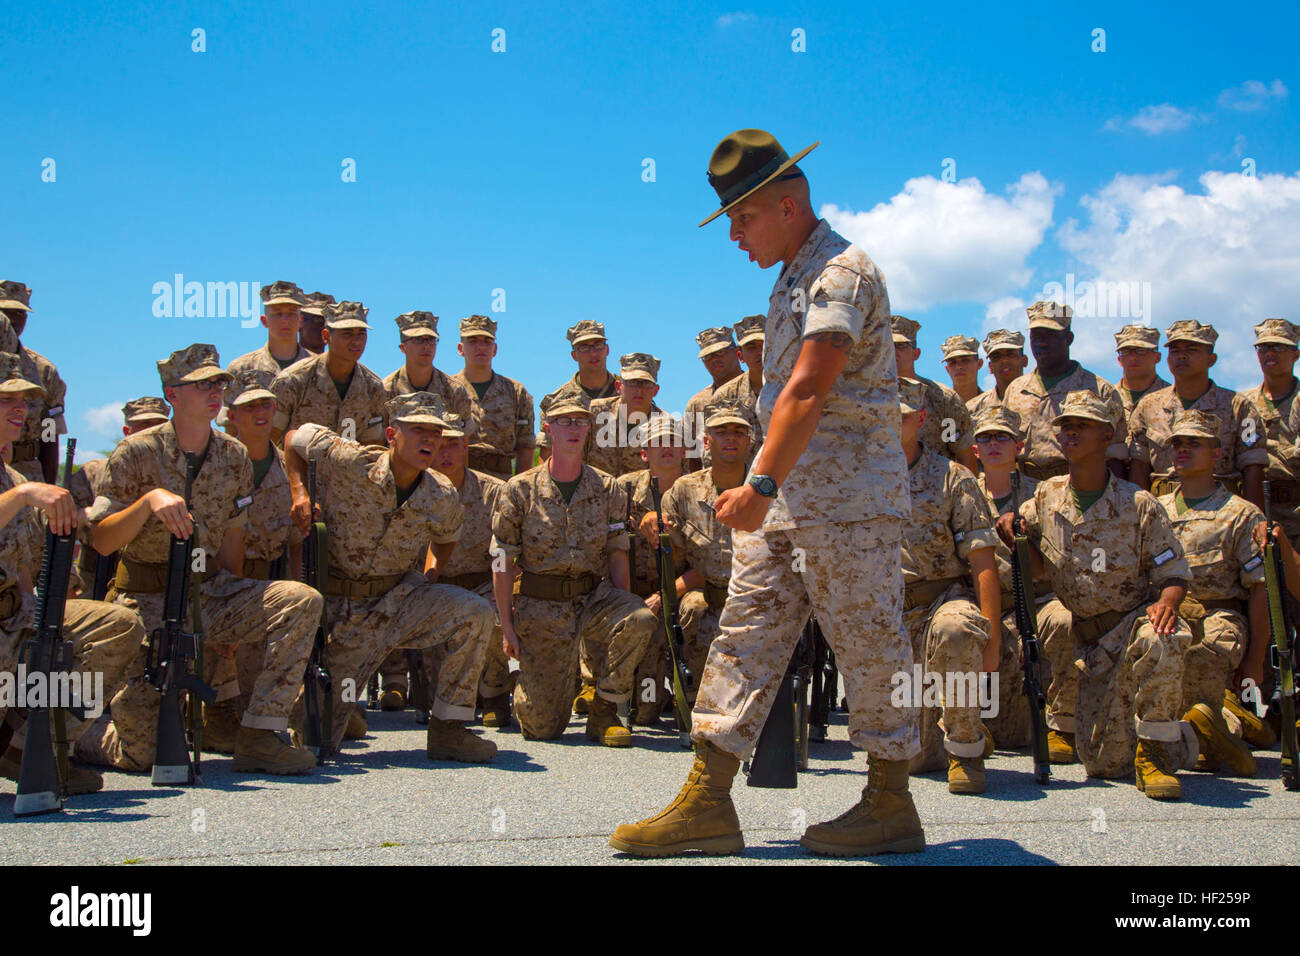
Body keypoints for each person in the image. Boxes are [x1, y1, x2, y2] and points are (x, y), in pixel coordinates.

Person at [611, 128, 921, 858]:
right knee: (744, 634)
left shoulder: (842, 274)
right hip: (789, 506)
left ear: (786, 205)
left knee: (871, 646)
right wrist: (770, 492)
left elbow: (810, 387)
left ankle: (891, 801)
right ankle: (709, 801)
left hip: (849, 506)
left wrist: (757, 482)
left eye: (741, 219)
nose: (735, 236)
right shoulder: (789, 277)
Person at [77, 344, 320, 775]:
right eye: (202, 384)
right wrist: (149, 501)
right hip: (147, 599)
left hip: (209, 590)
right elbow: (100, 540)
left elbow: (232, 537)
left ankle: (259, 735)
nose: (216, 391)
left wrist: (232, 620)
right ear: (173, 394)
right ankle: (83, 737)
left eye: (219, 383)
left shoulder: (233, 455)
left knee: (300, 599)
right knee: (143, 755)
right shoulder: (136, 453)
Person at [995, 390, 1196, 799]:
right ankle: (1199, 736)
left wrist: (1168, 602)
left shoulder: (1138, 504)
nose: (1070, 432)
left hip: (1129, 629)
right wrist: (1012, 536)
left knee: (1163, 636)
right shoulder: (1046, 497)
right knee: (1103, 763)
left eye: (1081, 426)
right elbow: (1036, 569)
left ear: (1107, 435)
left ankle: (1156, 754)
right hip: (1086, 643)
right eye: (1066, 426)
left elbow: (1174, 572)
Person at [284, 392, 499, 760]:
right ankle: (343, 708)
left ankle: (449, 728)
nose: (430, 440)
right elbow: (293, 439)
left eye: (437, 433)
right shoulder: (350, 460)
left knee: (474, 612)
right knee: (316, 742)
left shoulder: (440, 492)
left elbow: (446, 538)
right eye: (418, 430)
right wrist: (298, 491)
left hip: (398, 601)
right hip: (343, 611)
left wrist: (430, 575)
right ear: (391, 434)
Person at [0, 354, 144, 795]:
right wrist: (25, 493)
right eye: (6, 400)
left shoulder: (9, 476)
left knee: (116, 625)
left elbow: (24, 567)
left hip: (11, 617)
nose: (21, 408)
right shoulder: (20, 486)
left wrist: (41, 622)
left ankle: (29, 748)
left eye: (26, 400)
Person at [491, 389, 656, 746]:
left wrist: (621, 608)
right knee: (541, 729)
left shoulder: (608, 487)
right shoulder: (518, 490)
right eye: (564, 421)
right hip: (541, 606)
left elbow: (616, 552)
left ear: (589, 429)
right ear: (549, 429)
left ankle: (605, 709)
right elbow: (502, 562)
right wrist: (507, 627)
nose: (573, 428)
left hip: (592, 597)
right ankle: (538, 683)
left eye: (580, 421)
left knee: (640, 617)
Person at [895, 379, 1000, 793]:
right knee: (916, 760)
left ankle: (966, 749)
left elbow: (982, 561)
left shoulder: (952, 477)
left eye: (901, 415)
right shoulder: (859, 479)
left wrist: (989, 638)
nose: (891, 422)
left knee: (957, 629)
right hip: (889, 615)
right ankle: (946, 729)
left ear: (921, 420)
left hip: (942, 601)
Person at [1156, 410, 1264, 777]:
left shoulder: (1241, 514)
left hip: (1220, 616)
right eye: (1178, 443)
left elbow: (1261, 591)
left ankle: (1224, 727)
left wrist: (1256, 660)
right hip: (1167, 614)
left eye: (1194, 443)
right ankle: (1226, 724)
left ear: (1217, 452)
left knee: (1208, 653)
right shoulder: (1155, 509)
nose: (1183, 450)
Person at [200, 369, 301, 753]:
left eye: (267, 404)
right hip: (216, 583)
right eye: (250, 406)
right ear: (232, 416)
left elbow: (294, 543)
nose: (261, 412)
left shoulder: (289, 472)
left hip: (265, 588)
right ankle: (214, 712)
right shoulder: (216, 461)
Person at [652, 400, 753, 701]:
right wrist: (653, 523)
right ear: (707, 442)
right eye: (722, 431)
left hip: (754, 601)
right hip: (705, 601)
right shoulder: (684, 490)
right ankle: (692, 692)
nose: (731, 437)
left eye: (739, 431)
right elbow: (673, 557)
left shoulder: (766, 490)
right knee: (692, 608)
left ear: (750, 441)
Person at [971, 404, 1047, 754]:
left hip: (1032, 602)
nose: (994, 444)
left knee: (1015, 737)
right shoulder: (962, 491)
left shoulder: (1043, 495)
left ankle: (1062, 722)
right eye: (985, 438)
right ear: (975, 450)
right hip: (981, 603)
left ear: (1019, 446)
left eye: (1003, 436)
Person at [1128, 320, 1265, 507]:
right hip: (1162, 510)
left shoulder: (1238, 407)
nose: (1182, 356)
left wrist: (1256, 520)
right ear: (1167, 359)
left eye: (1191, 350)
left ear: (1211, 359)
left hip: (1222, 513)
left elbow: (1252, 466)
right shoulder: (1148, 406)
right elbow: (1139, 464)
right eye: (1175, 351)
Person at [1000, 302, 1128, 481]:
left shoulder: (1099, 389)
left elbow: (1116, 454)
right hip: (1025, 489)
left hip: (1077, 486)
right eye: (1035, 336)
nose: (1041, 343)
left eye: (1050, 335)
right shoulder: (1016, 389)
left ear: (1069, 338)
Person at [69, 398, 170, 594]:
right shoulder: (93, 472)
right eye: (145, 425)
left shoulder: (174, 476)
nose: (152, 433)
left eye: (159, 426)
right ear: (127, 431)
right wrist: (84, 514)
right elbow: (57, 522)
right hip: (94, 574)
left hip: (149, 582)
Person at [269, 301, 389, 446]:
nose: (356, 341)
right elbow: (269, 440)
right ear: (326, 336)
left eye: (361, 334)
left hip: (349, 467)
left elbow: (373, 446)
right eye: (347, 334)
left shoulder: (372, 387)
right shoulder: (293, 381)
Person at [220, 281, 313, 437]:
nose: (285, 320)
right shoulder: (241, 368)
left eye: (291, 313)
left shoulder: (318, 367)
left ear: (301, 320)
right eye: (277, 313)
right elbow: (230, 427)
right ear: (264, 321)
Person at [451, 314, 535, 480]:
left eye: (486, 341)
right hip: (458, 481)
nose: (480, 347)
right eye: (473, 341)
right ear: (461, 348)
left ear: (495, 349)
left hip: (501, 481)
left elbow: (526, 445)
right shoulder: (447, 389)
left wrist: (519, 489)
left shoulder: (516, 392)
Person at [0, 280, 68, 483]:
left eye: (20, 313)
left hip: (27, 472)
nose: (12, 320)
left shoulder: (44, 371)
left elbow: (49, 432)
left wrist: (49, 485)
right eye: (5, 312)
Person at [891, 315, 977, 472]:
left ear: (916, 353)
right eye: (888, 345)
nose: (894, 351)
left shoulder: (942, 398)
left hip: (935, 489)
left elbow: (963, 453)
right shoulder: (868, 396)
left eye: (901, 346)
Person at [1242, 319, 1300, 542]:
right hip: (1257, 511)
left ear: (1296, 354)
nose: (1269, 353)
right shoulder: (1243, 403)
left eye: (1279, 347)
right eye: (1263, 347)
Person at [382, 311, 474, 423]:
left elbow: (464, 437)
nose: (426, 346)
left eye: (431, 339)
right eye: (418, 339)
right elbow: (377, 438)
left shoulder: (454, 390)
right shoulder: (386, 390)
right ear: (403, 347)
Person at [588, 353, 663, 478]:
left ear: (655, 390)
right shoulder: (593, 413)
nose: (639, 390)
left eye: (645, 383)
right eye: (632, 382)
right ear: (618, 386)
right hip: (594, 494)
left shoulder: (666, 426)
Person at [711, 314, 765, 466]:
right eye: (751, 347)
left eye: (764, 345)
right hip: (742, 482)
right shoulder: (725, 395)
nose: (759, 352)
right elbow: (714, 449)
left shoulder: (794, 387)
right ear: (740, 356)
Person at [541, 321, 619, 407]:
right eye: (584, 347)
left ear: (607, 350)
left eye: (598, 345)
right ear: (574, 355)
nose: (593, 353)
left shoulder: (630, 392)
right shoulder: (557, 401)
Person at [966, 329, 1027, 418]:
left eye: (1010, 355)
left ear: (1024, 361)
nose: (1004, 361)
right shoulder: (974, 409)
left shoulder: (1041, 398)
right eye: (997, 357)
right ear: (990, 367)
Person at [1113, 325, 1167, 423]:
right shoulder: (1107, 397)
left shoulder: (1171, 398)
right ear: (1119, 359)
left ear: (1157, 357)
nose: (1133, 357)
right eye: (1126, 351)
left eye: (1141, 351)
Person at [941, 335, 983, 405]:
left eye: (965, 360)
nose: (958, 366)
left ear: (979, 364)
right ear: (947, 369)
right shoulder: (938, 407)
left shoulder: (995, 404)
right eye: (953, 362)